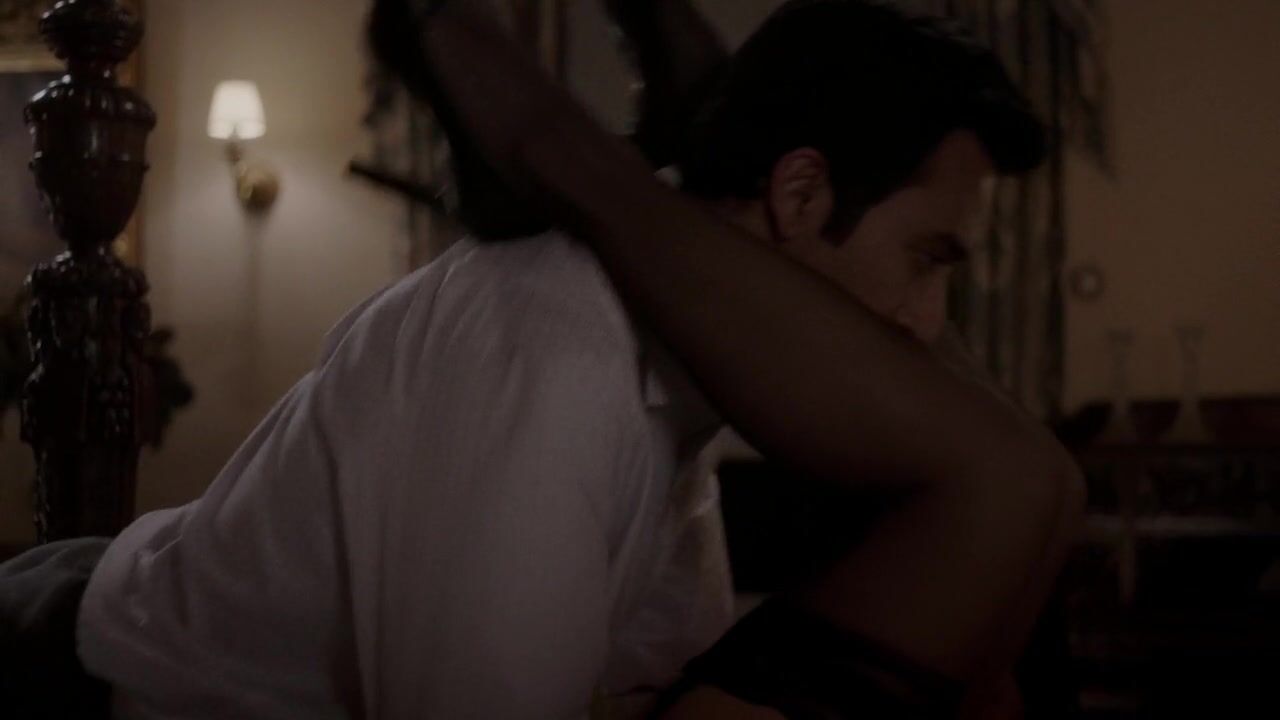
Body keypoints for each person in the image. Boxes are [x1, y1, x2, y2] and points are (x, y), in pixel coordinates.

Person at [11, 1, 1080, 718]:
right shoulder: (547, 337)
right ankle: (562, 147)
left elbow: (643, 674)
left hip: (125, 590)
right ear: (798, 194)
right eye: (928, 258)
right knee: (1012, 483)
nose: (923, 324)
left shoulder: (686, 381)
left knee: (1033, 489)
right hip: (77, 666)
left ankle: (593, 150)